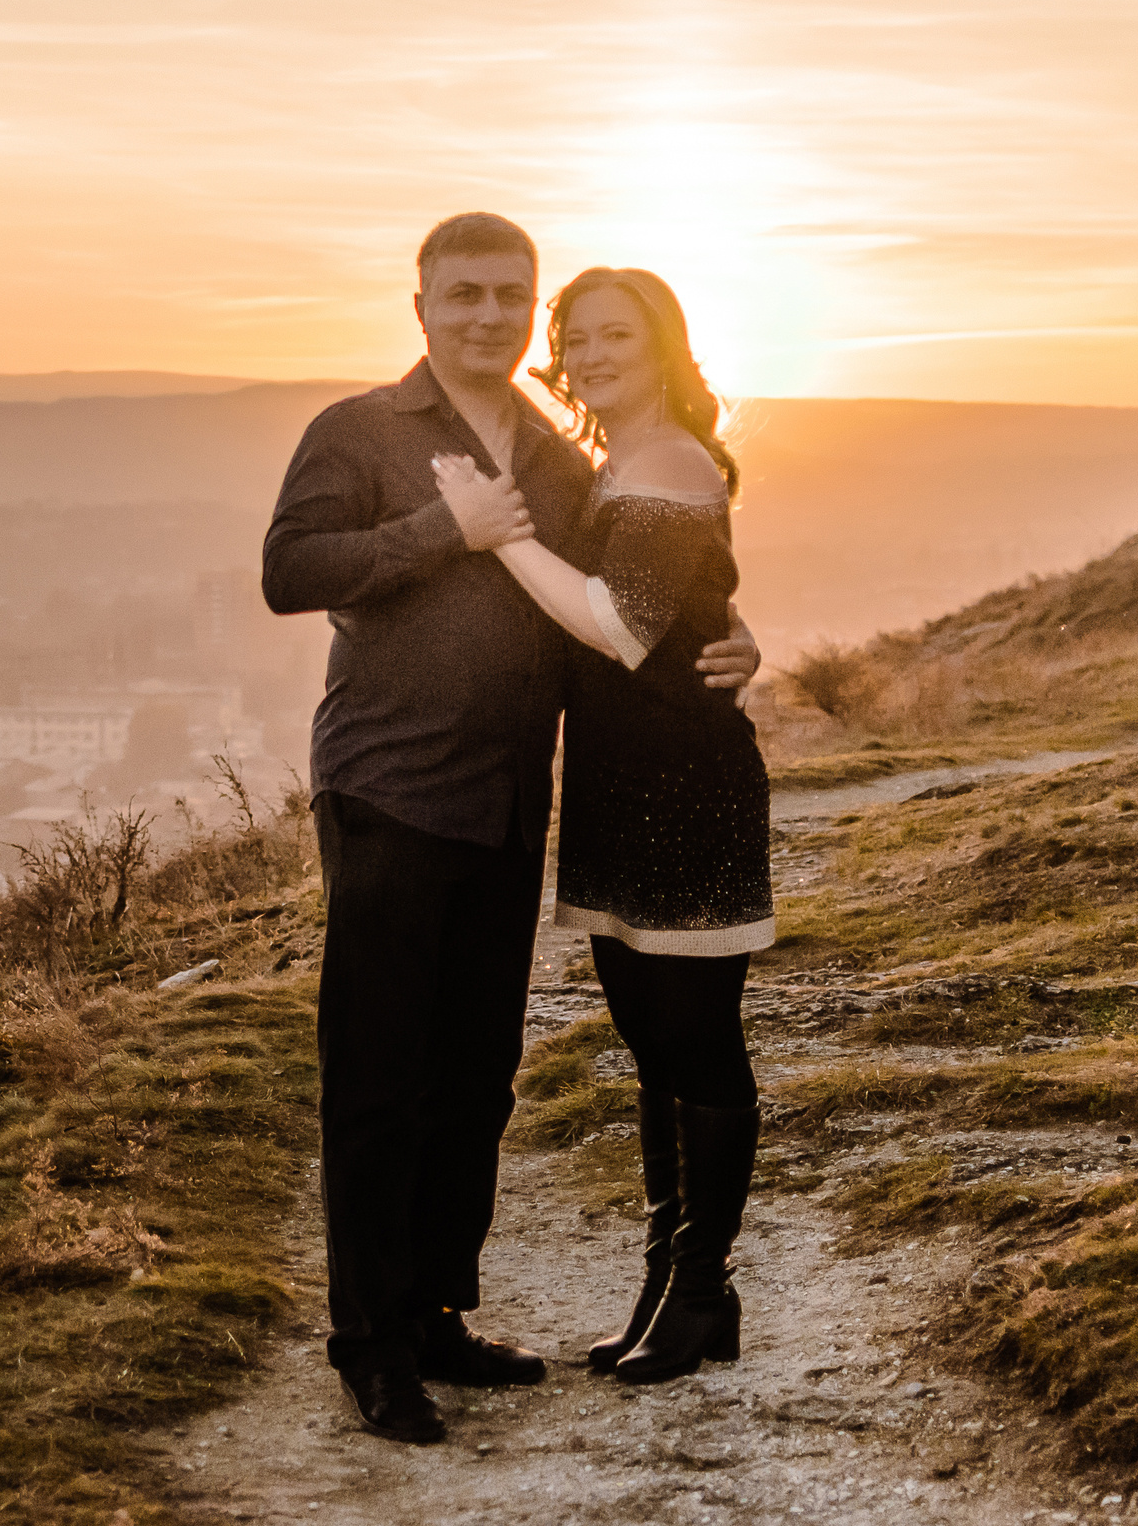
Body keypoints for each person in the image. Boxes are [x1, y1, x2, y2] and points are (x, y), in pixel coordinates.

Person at [262, 216, 761, 1444]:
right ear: (421, 304)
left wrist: (734, 644)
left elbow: (639, 586)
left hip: (506, 800)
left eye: (507, 297)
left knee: (474, 1075)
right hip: (386, 790)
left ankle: (436, 1310)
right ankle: (371, 1347)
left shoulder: (552, 453)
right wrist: (446, 529)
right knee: (375, 1080)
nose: (488, 316)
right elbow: (290, 569)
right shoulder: (361, 432)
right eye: (464, 295)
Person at [431, 265, 772, 1387]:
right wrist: (735, 629)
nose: (589, 354)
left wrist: (495, 536)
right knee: (647, 1042)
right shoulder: (622, 463)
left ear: (665, 344)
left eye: (615, 334)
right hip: (621, 783)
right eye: (575, 338)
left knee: (693, 1039)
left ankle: (701, 1286)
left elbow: (618, 624)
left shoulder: (668, 460)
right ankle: (664, 1280)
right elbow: (682, 599)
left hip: (683, 783)